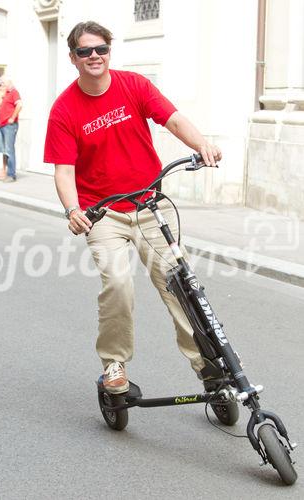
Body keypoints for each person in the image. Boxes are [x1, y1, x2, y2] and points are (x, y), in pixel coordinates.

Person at [44, 21, 222, 394]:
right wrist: (72, 209)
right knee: (119, 284)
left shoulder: (134, 86)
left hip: (149, 204)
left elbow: (172, 119)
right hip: (103, 213)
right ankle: (113, 364)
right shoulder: (64, 109)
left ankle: (206, 364)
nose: (94, 56)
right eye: (84, 51)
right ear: (73, 58)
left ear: (110, 51)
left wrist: (202, 144)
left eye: (100, 49)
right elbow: (64, 170)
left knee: (178, 284)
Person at [0, 75, 22, 182]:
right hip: (2, 125)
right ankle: (4, 171)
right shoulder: (6, 94)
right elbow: (3, 108)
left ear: (8, 83)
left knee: (9, 150)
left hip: (9, 125)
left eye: (2, 83)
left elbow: (19, 105)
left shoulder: (14, 92)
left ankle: (11, 174)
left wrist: (12, 118)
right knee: (4, 150)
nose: (1, 86)